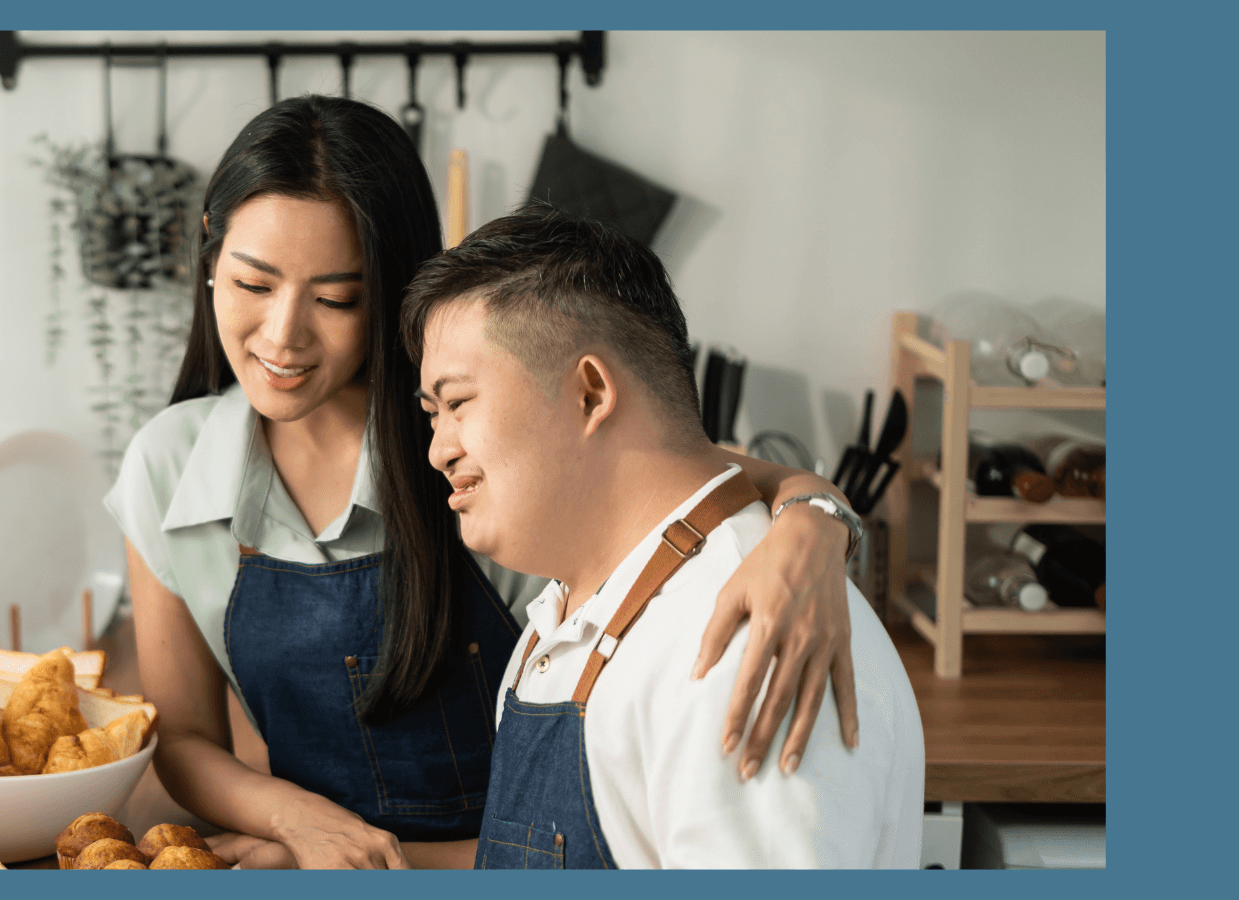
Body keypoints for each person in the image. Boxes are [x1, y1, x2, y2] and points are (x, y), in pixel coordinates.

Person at [105, 95, 868, 870]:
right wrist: (303, 828)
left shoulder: (479, 451)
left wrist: (814, 516)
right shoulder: (168, 467)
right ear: (208, 254)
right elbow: (186, 737)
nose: (282, 334)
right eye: (254, 285)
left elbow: (683, 469)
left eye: (337, 298)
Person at [402, 204, 923, 868]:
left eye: (457, 404)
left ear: (591, 392)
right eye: (431, 415)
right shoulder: (568, 613)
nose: (438, 451)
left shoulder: (746, 639)